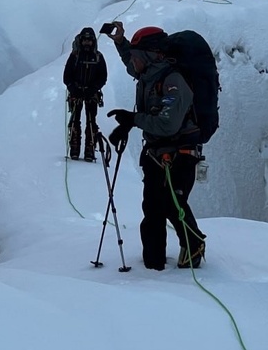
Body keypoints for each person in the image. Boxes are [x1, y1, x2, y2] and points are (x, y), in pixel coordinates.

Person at [104, 22, 207, 271]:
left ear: (152, 57)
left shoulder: (173, 81)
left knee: (172, 204)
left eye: (139, 58)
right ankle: (153, 265)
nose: (133, 64)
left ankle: (194, 245)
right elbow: (132, 60)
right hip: (155, 154)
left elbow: (168, 124)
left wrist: (133, 119)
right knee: (152, 208)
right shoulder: (148, 75)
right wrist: (121, 42)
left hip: (179, 155)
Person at [63, 27, 107, 161]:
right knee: (76, 120)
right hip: (77, 92)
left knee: (91, 121)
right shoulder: (75, 56)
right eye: (85, 40)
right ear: (81, 40)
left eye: (89, 40)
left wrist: (93, 88)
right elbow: (67, 76)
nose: (87, 42)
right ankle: (75, 149)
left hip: (91, 93)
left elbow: (103, 77)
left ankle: (90, 149)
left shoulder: (98, 57)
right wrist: (73, 88)